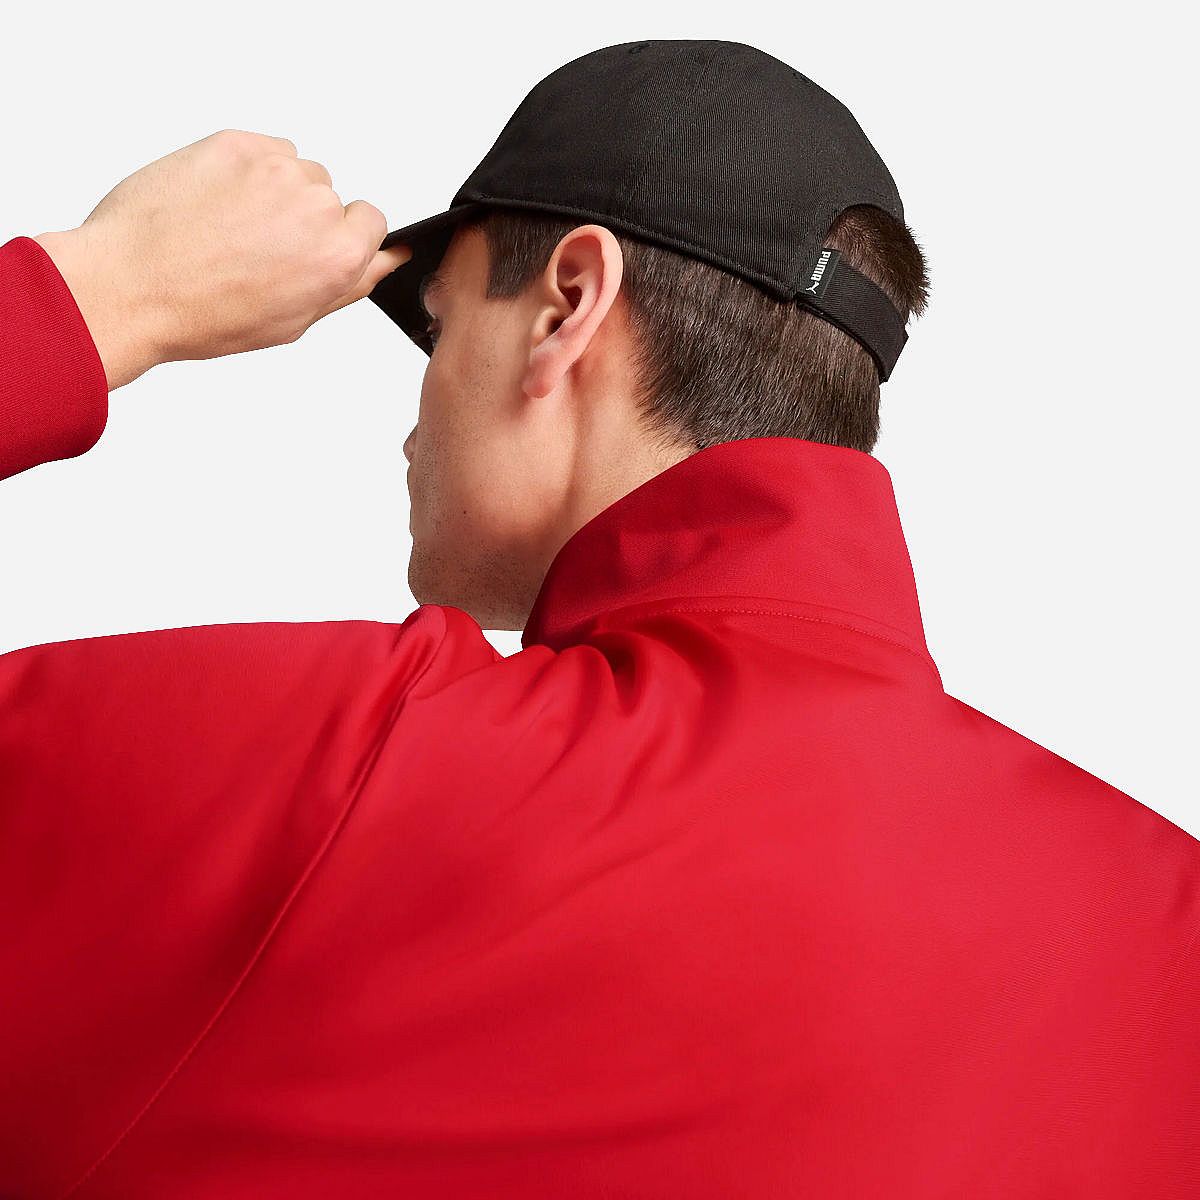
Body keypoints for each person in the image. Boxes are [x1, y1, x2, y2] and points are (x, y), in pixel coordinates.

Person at [1, 39, 1196, 1200]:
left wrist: (102, 296)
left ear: (567, 306)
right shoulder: (1162, 927)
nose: (417, 411)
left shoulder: (343, 777)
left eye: (436, 326)